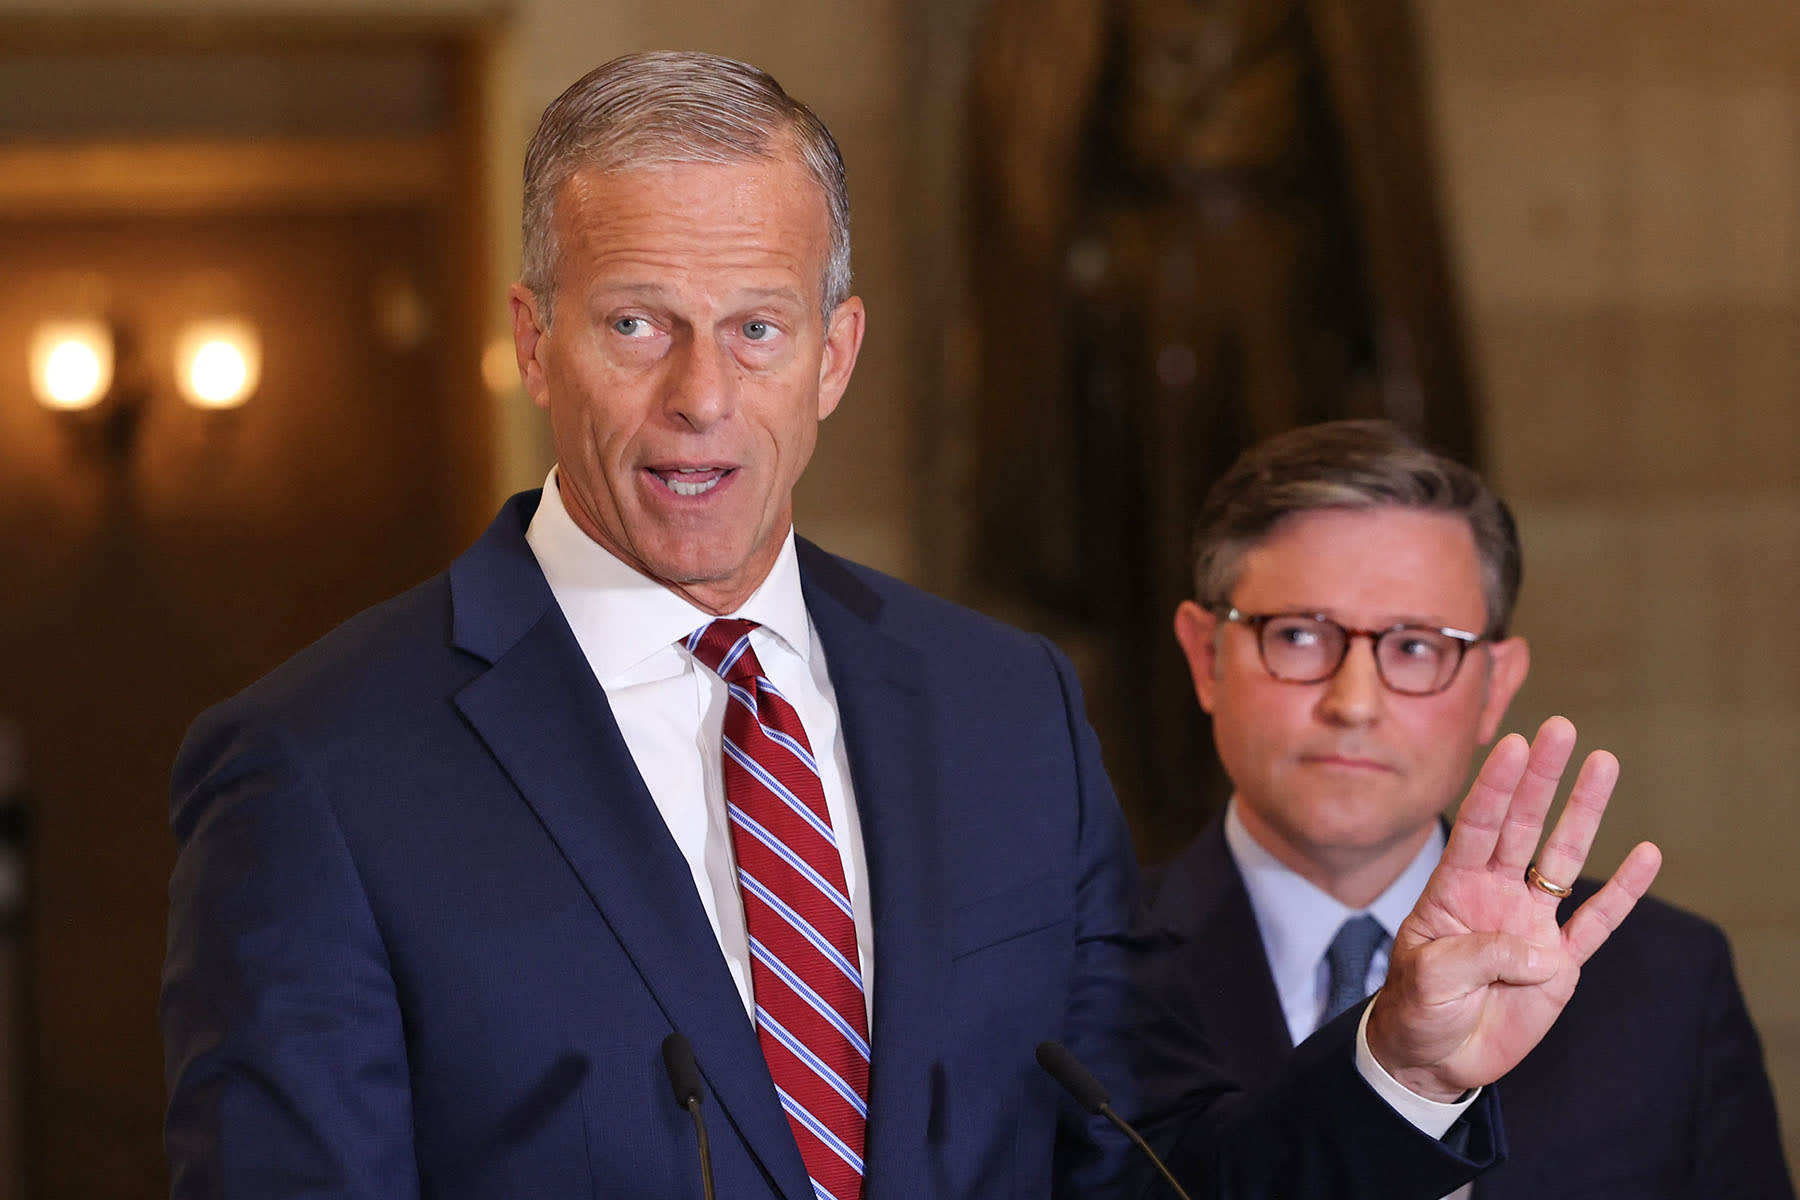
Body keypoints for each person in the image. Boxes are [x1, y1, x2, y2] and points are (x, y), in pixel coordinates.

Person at [161, 54, 1659, 1199]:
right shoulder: (319, 771)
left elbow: (1158, 1168)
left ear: (836, 353)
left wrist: (1400, 1065)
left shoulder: (1004, 705)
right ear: (532, 341)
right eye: (635, 324)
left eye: (757, 326)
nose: (700, 396)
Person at [1152, 418, 1791, 1198]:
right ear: (1204, 657)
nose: (1354, 703)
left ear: (1495, 686)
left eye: (1417, 647)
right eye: (1297, 635)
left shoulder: (1667, 985)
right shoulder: (1082, 967)